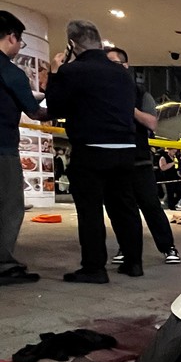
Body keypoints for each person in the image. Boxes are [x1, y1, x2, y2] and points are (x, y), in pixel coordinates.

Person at [45, 20, 144, 283]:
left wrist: (55, 72)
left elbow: (55, 107)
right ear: (99, 41)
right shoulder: (122, 73)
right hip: (125, 149)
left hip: (91, 150)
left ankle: (94, 267)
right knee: (125, 207)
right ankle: (134, 263)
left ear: (72, 44)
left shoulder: (73, 71)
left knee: (90, 210)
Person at [104, 46, 180, 266]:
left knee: (150, 204)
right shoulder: (102, 92)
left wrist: (130, 109)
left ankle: (168, 247)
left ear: (125, 66)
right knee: (118, 208)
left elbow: (152, 122)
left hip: (139, 159)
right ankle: (126, 247)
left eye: (113, 64)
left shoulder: (139, 93)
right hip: (113, 159)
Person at [0, 10, 45, 285]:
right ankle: (4, 264)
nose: (19, 48)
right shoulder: (10, 71)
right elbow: (34, 111)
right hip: (2, 148)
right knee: (9, 206)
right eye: (20, 42)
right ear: (11, 37)